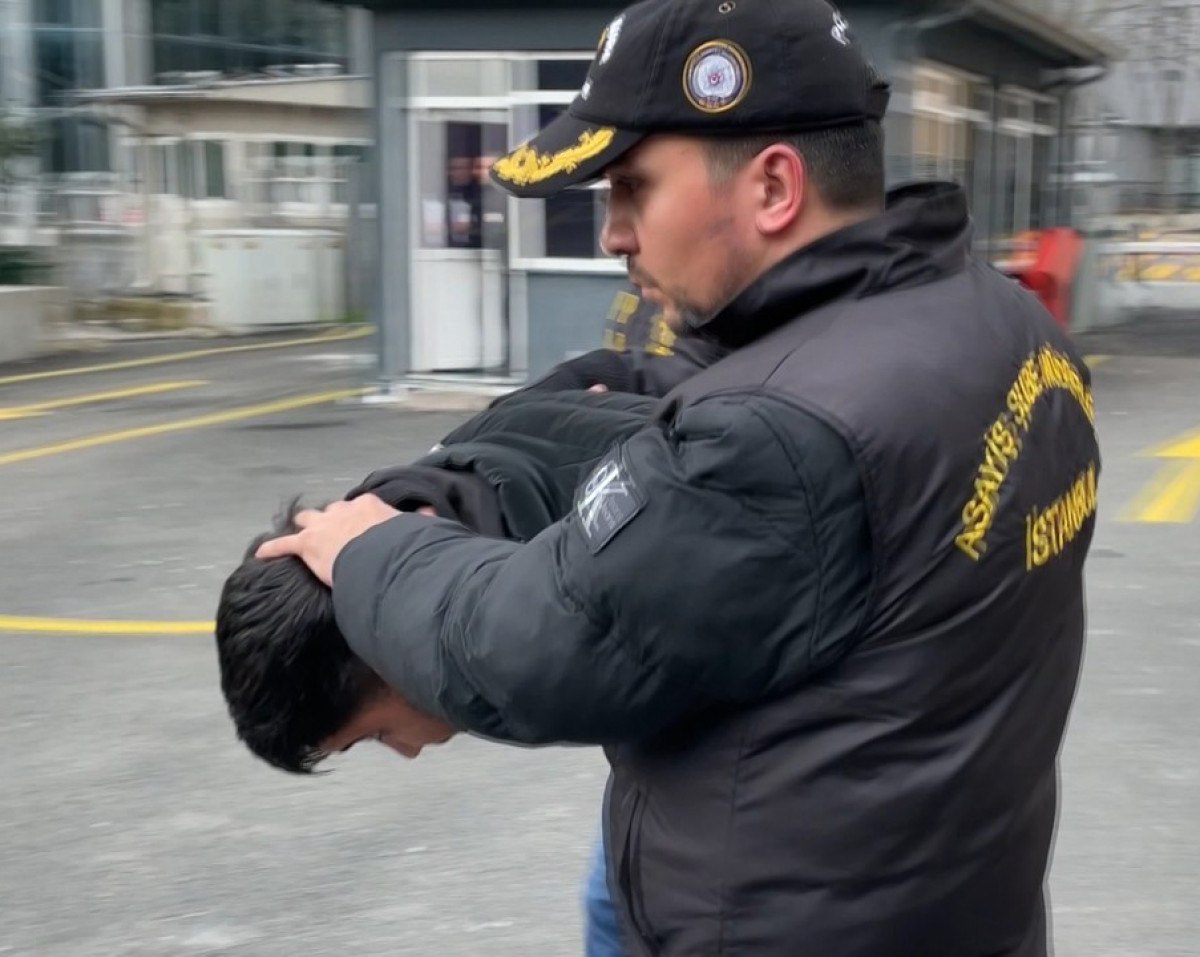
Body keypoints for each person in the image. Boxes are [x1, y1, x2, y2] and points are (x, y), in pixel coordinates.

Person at [255, 0, 1102, 953]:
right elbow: (720, 387)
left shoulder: (773, 438)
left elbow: (533, 647)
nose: (613, 234)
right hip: (947, 891)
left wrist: (369, 551)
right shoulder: (995, 322)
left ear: (773, 186)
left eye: (632, 188)